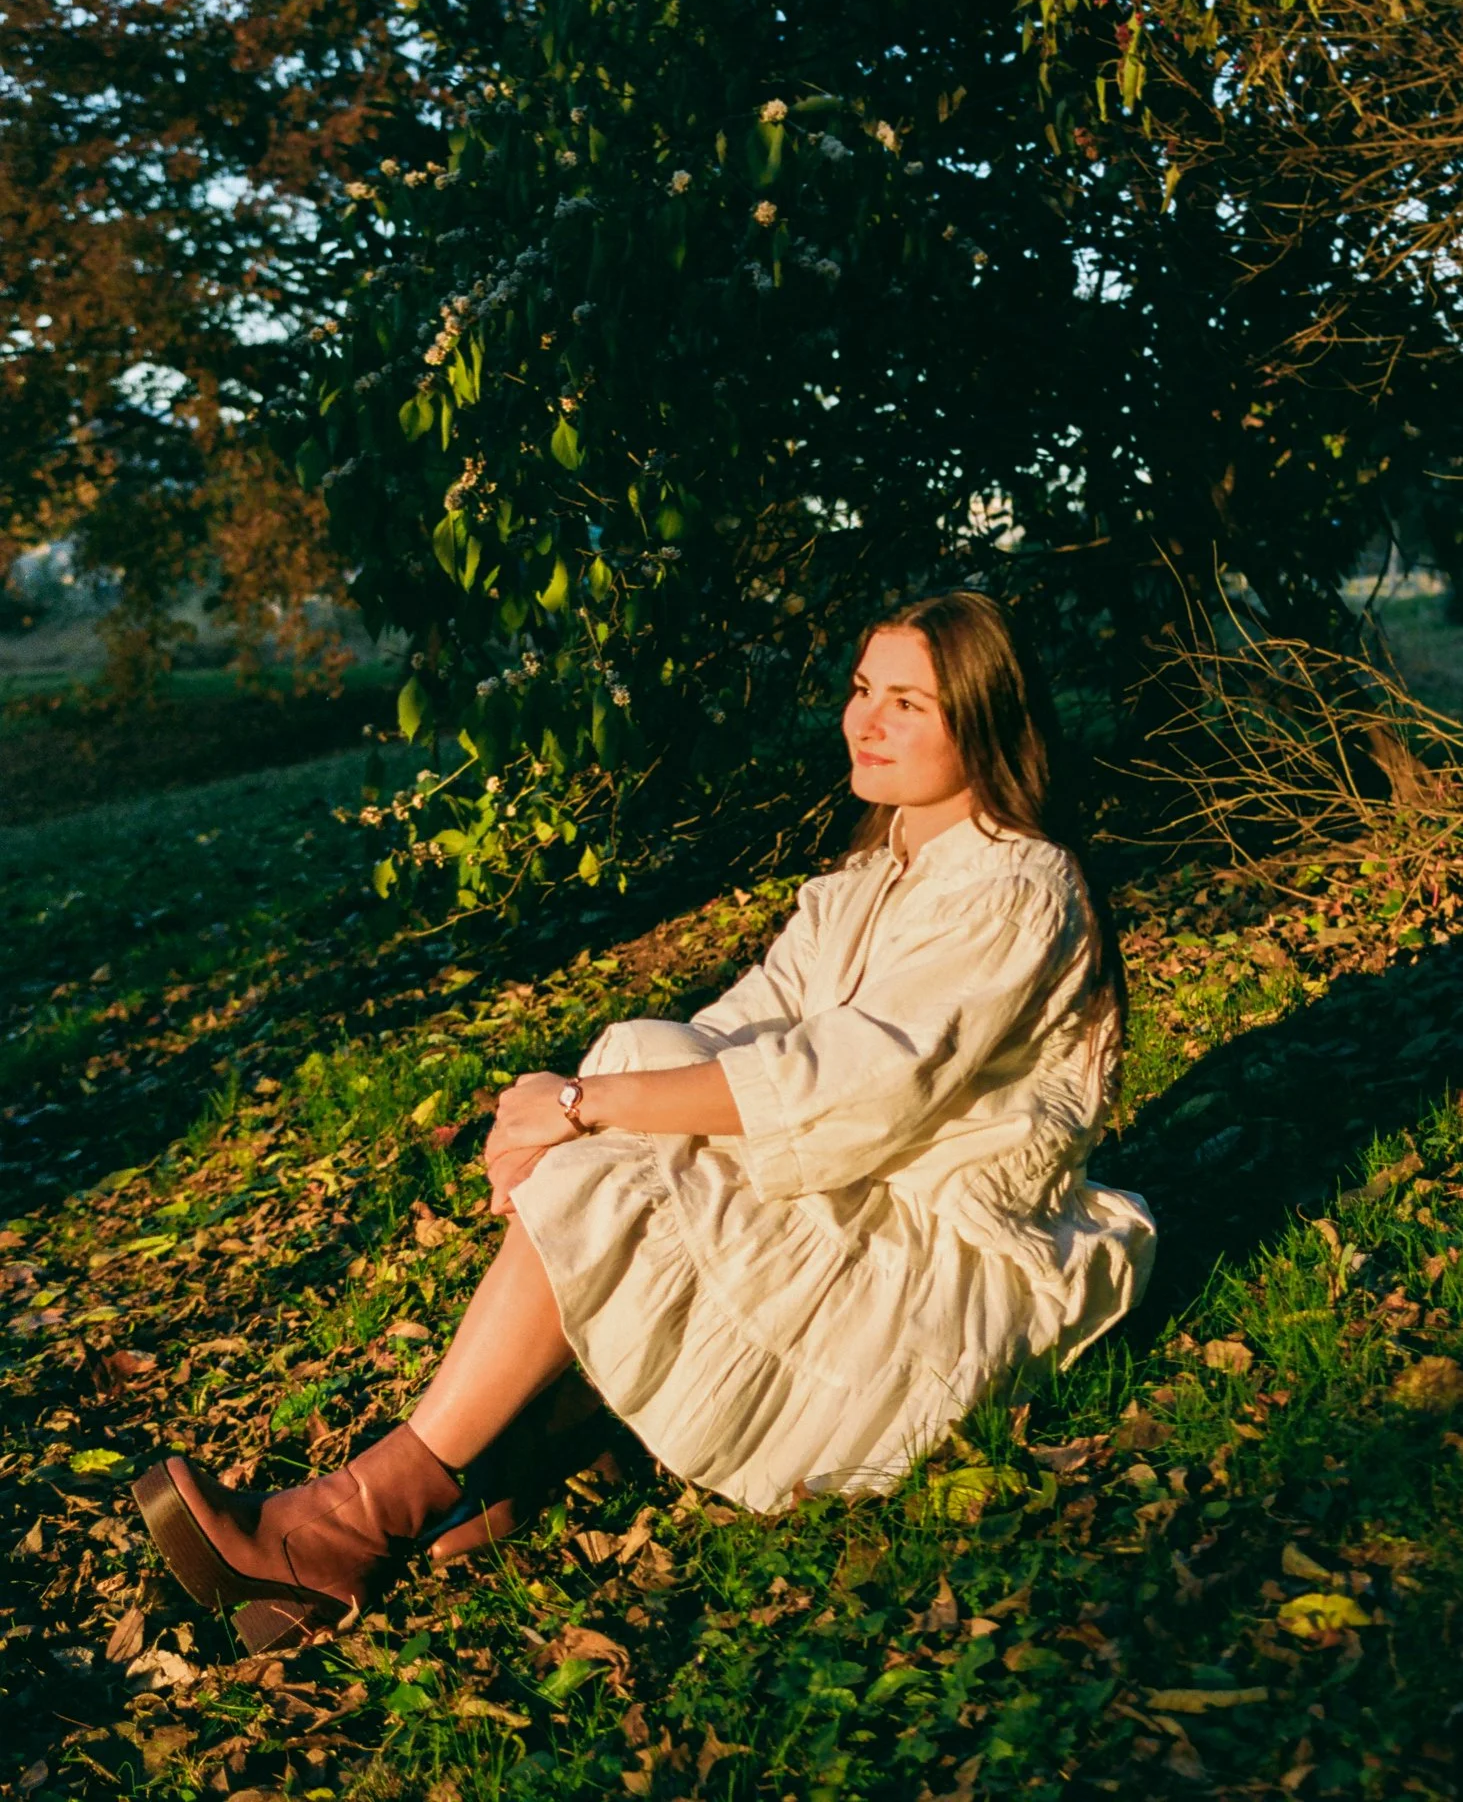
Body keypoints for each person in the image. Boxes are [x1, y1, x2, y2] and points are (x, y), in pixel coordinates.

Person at [133, 590, 1156, 1654]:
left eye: (908, 701)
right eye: (861, 689)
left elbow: (856, 1084)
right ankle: (488, 1468)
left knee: (621, 1129)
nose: (865, 722)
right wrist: (566, 1107)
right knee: (635, 1071)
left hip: (936, 1257)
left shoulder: (1016, 884)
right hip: (855, 1187)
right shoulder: (866, 877)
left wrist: (585, 1108)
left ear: (985, 720)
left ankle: (355, 1519)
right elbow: (740, 1022)